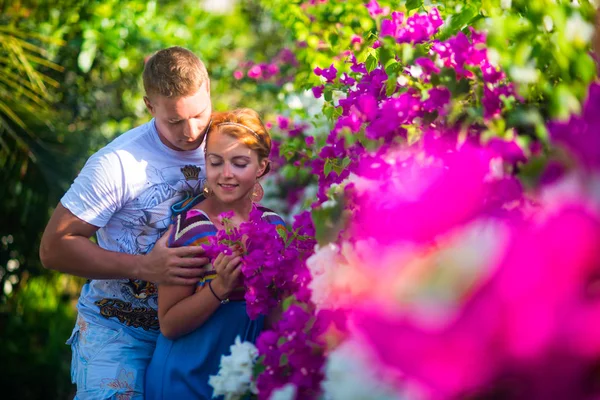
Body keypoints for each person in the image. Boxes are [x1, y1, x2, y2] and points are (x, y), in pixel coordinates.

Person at [39, 46, 213, 399]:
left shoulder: (227, 144)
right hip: (118, 330)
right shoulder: (117, 163)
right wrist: (144, 267)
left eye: (198, 114)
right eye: (175, 121)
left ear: (208, 89)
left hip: (195, 328)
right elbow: (53, 248)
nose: (191, 132)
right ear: (150, 107)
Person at [145, 108, 285, 400]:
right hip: (185, 381)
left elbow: (273, 316)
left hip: (240, 382)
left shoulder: (274, 226)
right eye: (216, 161)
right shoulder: (192, 230)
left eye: (240, 163)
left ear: (261, 166)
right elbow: (169, 324)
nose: (226, 173)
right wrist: (219, 288)